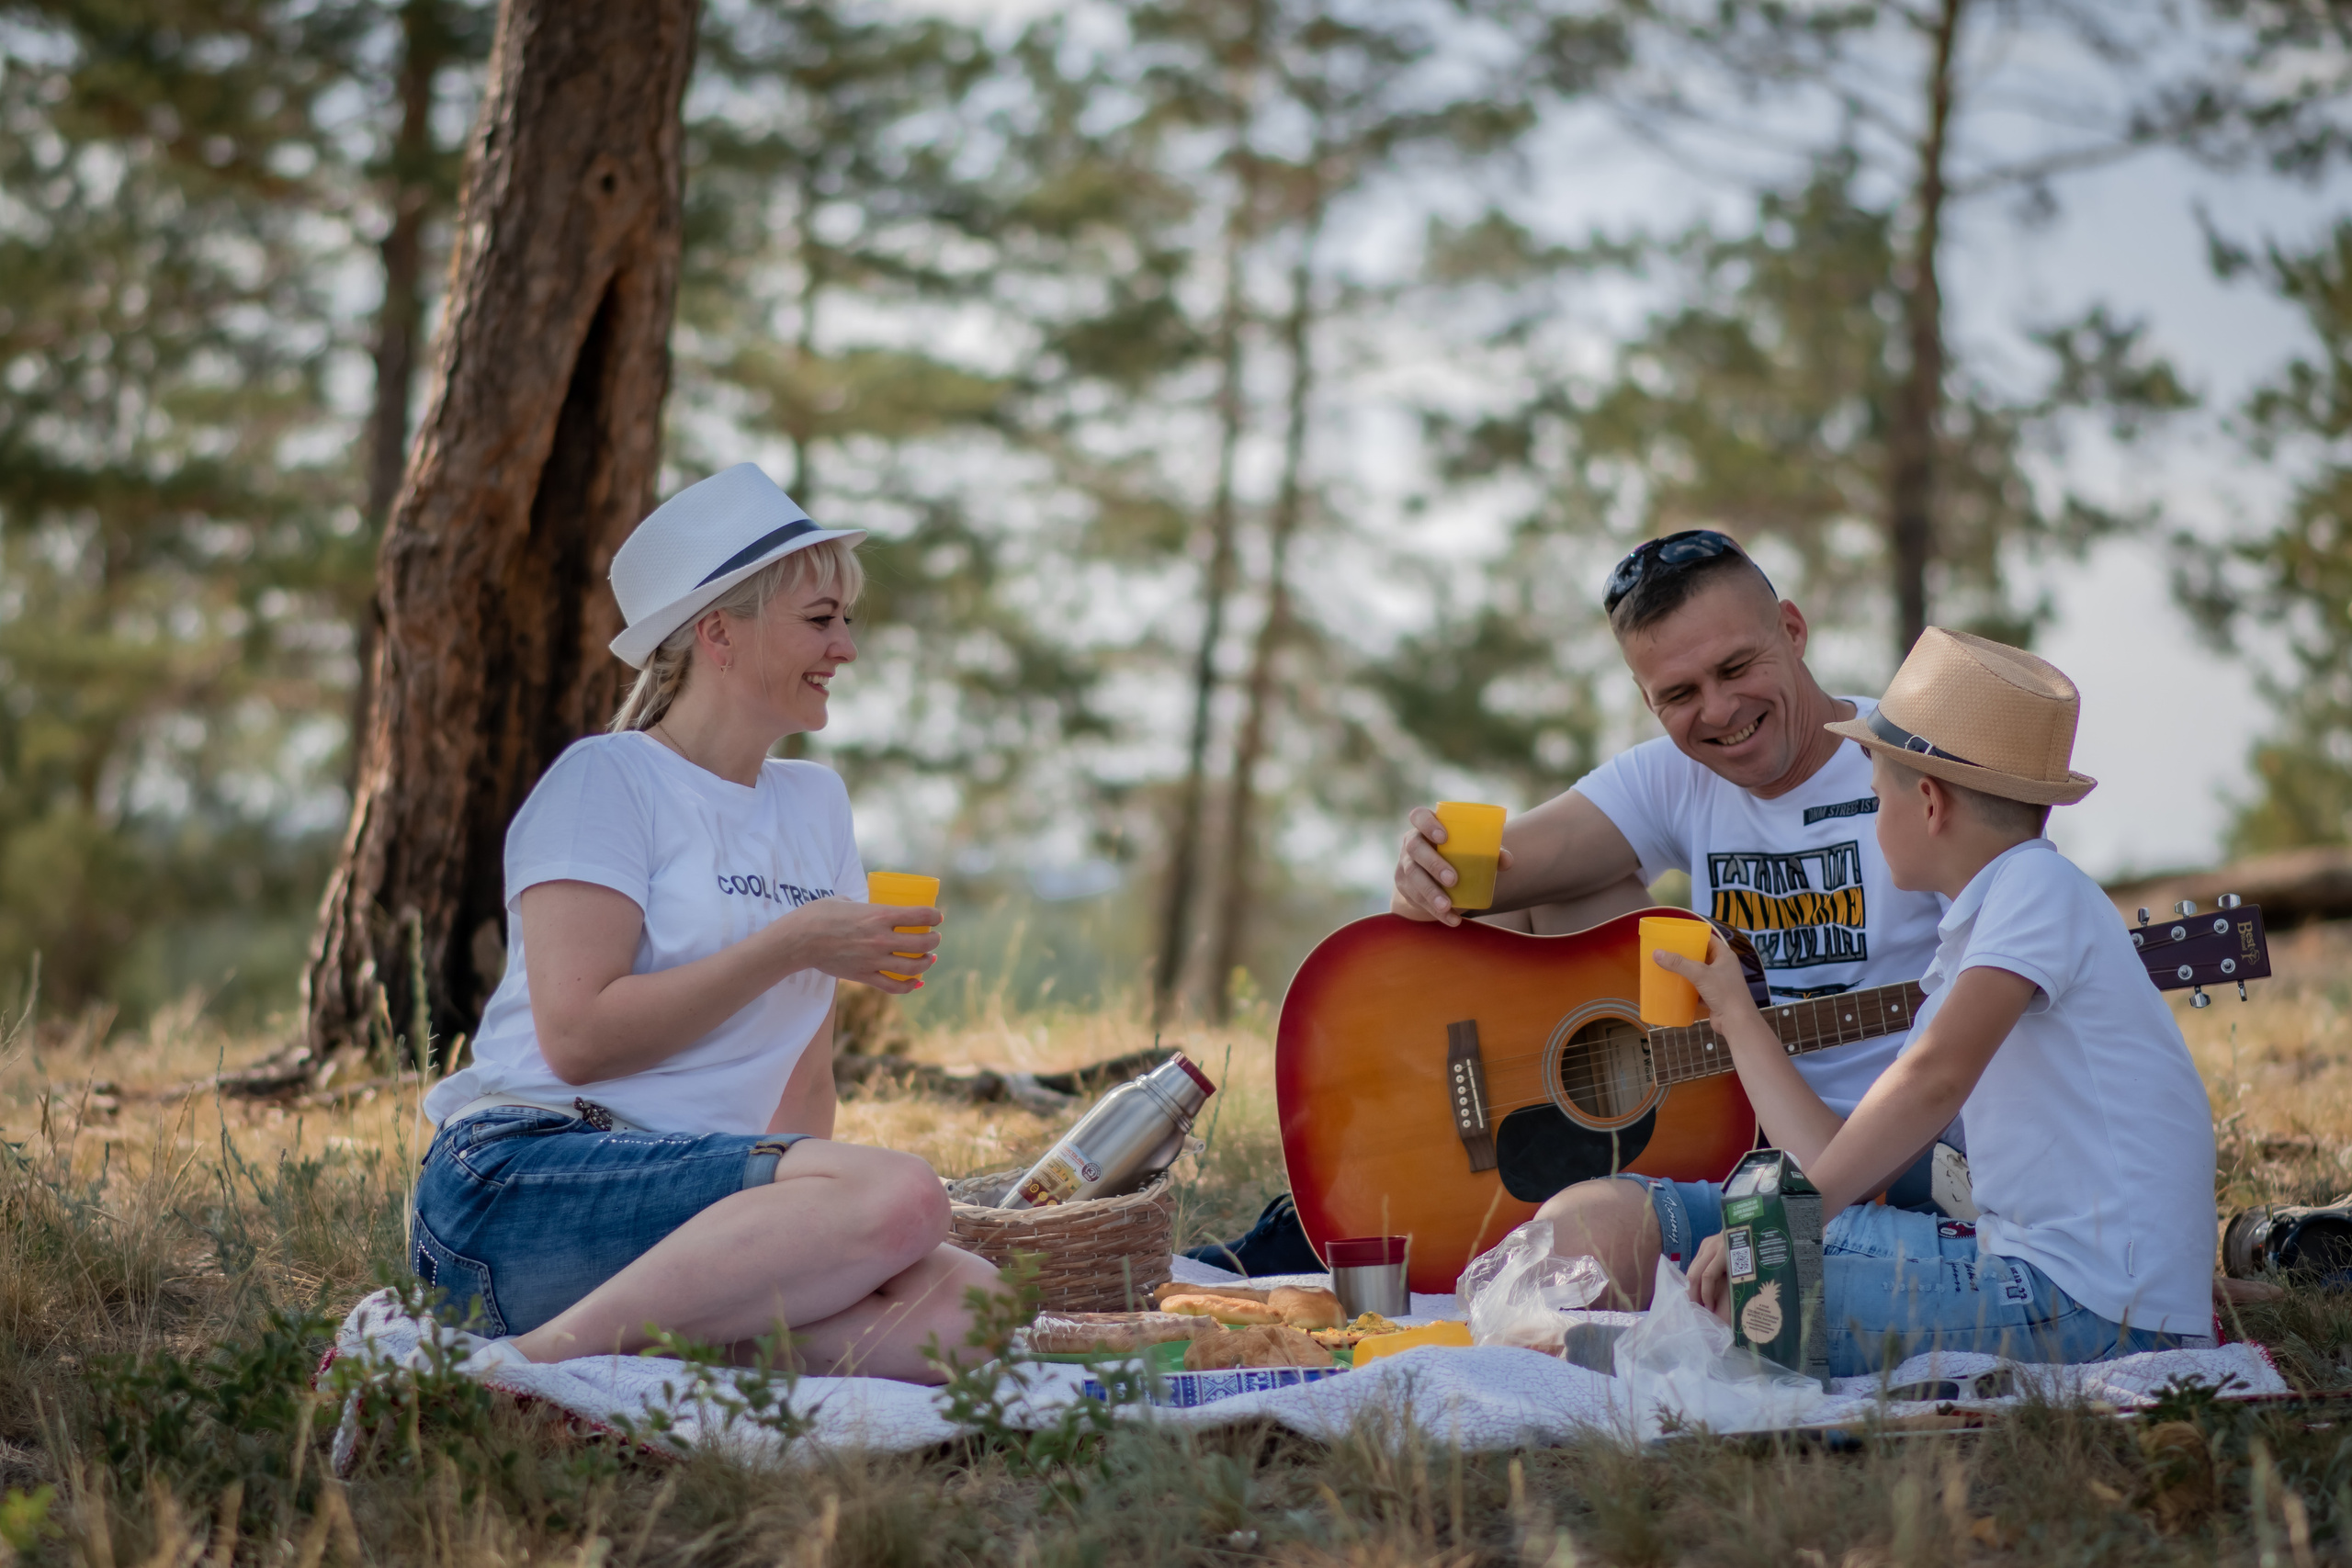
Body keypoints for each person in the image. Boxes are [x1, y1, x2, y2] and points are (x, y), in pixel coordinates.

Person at [411, 463, 1001, 1380]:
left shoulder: (814, 805)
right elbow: (577, 1042)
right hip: (523, 1183)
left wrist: (815, 1238)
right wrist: (791, 943)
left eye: (846, 619)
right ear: (718, 632)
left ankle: (643, 1342)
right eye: (819, 619)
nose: (845, 648)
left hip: (696, 1204)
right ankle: (515, 1373)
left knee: (982, 1311)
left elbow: (801, 1078)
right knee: (903, 1196)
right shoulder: (605, 781)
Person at [1380, 531, 1951, 1304]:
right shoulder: (1675, 774)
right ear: (1648, 700)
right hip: (1722, 1133)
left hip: (1892, 1162)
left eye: (1735, 667)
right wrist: (1425, 871)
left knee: (1572, 1275)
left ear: (1792, 628)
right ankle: (1469, 1188)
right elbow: (1483, 886)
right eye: (1679, 695)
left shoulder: (1920, 764)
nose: (1719, 711)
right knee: (1558, 895)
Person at [1668, 627, 2215, 1371]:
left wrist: (1783, 1223)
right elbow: (1838, 1157)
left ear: (1927, 801)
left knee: (1759, 1289)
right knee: (1729, 1254)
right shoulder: (1982, 933)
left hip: (2103, 1307)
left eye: (1873, 795)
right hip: (2055, 1279)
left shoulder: (2036, 885)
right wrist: (1735, 1011)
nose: (1870, 812)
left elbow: (1933, 1078)